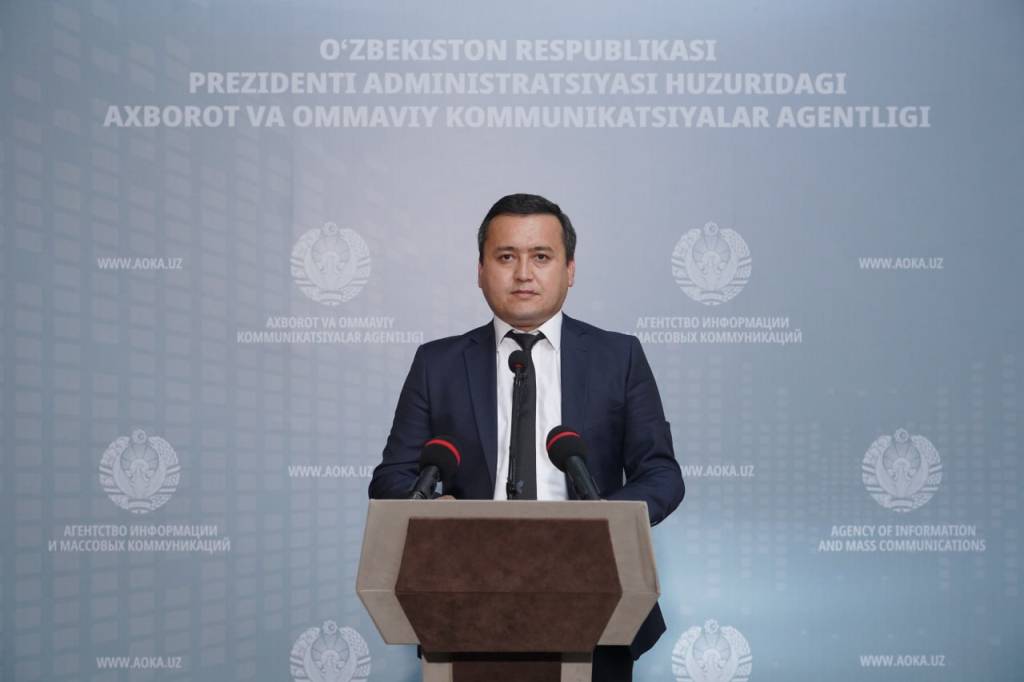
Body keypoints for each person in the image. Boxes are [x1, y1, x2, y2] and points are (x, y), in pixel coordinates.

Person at [369, 193, 685, 681]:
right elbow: (392, 477)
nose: (523, 274)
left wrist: (605, 521)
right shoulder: (437, 364)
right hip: (463, 595)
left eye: (541, 256)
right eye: (505, 257)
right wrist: (436, 511)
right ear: (480, 271)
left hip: (594, 589)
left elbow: (661, 474)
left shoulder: (618, 357)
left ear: (570, 269)